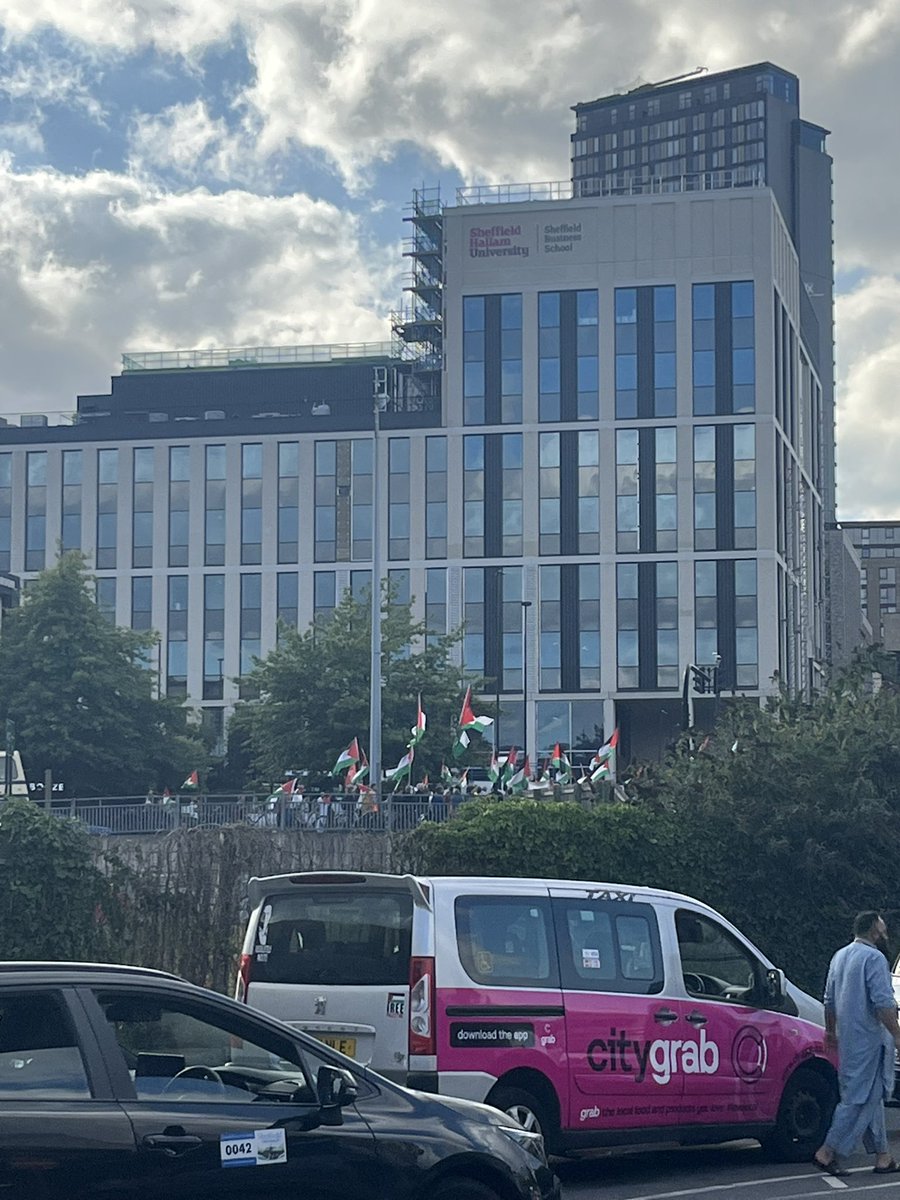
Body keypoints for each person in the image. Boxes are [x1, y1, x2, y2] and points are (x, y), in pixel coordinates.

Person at [812, 911, 900, 1176]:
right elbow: (883, 1003)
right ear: (874, 929)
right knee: (858, 1099)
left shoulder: (839, 956)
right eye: (882, 927)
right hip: (870, 1040)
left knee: (869, 1097)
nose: (885, 933)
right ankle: (827, 1151)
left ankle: (883, 1156)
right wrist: (897, 1035)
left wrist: (830, 1032)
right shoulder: (875, 958)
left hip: (848, 1039)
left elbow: (829, 1000)